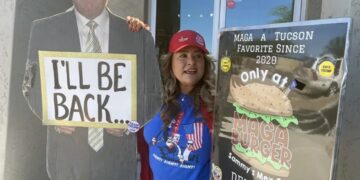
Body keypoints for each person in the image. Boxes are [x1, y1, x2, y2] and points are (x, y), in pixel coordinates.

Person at [22, 0, 162, 179]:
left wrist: (130, 124)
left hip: (118, 163)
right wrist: (53, 117)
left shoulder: (137, 35)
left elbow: (154, 95)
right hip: (66, 162)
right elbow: (31, 88)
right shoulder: (43, 29)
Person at [143, 30, 215, 180]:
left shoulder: (214, 107)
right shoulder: (152, 99)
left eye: (198, 56)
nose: (191, 62)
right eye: (183, 55)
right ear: (170, 62)